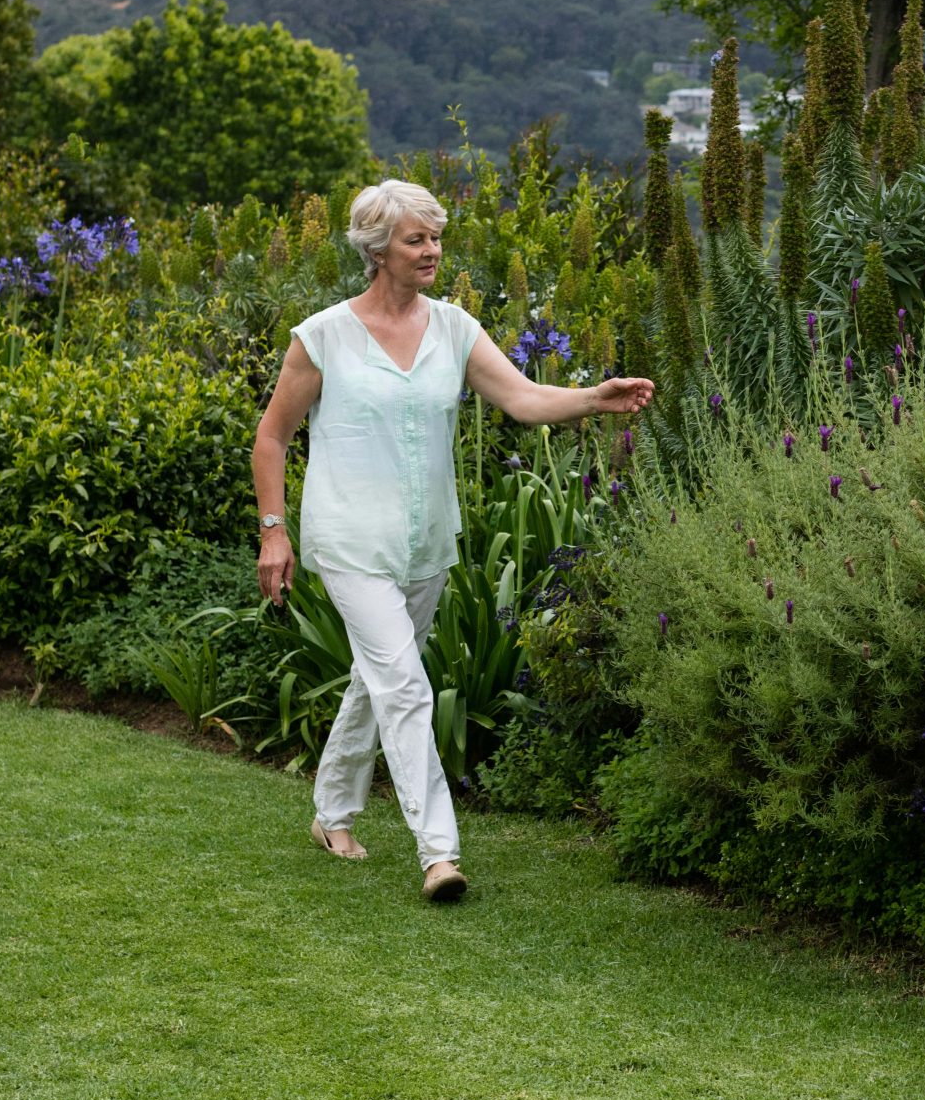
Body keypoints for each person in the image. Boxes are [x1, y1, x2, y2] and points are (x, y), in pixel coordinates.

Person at [251, 180, 653, 900]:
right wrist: (273, 532)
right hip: (348, 539)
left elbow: (523, 398)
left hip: (425, 542)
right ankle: (440, 852)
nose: (433, 250)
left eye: (436, 237)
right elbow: (272, 437)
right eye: (417, 239)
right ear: (379, 251)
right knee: (405, 686)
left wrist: (593, 398)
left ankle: (331, 813)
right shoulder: (323, 337)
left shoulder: (455, 329)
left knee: (379, 681)